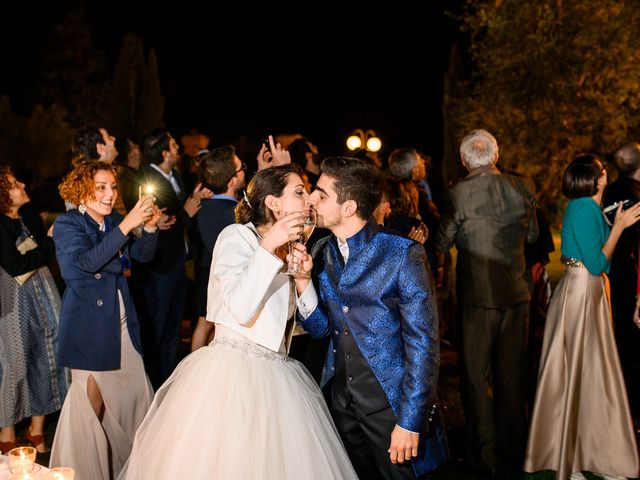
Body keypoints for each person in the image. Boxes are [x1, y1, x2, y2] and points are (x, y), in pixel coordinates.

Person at [119, 165, 357, 479]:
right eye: (299, 191)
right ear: (274, 203)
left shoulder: (290, 246)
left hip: (278, 374)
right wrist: (269, 246)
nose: (308, 198)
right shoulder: (236, 237)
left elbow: (304, 321)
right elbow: (241, 309)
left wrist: (302, 278)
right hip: (231, 374)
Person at [298, 156, 448, 479]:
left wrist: (410, 422)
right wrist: (302, 283)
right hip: (341, 407)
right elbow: (322, 328)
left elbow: (424, 345)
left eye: (321, 194)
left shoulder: (402, 254)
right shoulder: (323, 251)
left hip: (391, 408)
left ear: (349, 207)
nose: (310, 198)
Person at [524, 154, 640, 480]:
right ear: (596, 179)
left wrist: (612, 221)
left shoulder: (586, 207)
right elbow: (598, 263)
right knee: (579, 370)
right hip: (581, 292)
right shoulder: (585, 208)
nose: (606, 172)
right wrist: (618, 226)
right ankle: (572, 460)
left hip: (585, 292)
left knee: (589, 372)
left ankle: (590, 453)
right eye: (603, 170)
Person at [433, 129, 537, 477]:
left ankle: (485, 457)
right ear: (496, 154)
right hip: (517, 294)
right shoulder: (522, 187)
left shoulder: (458, 193)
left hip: (477, 298)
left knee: (477, 379)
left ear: (464, 160)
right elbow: (534, 235)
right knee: (512, 376)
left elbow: (443, 241)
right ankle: (514, 452)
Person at [49, 161, 161, 480]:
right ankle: (83, 472)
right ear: (82, 191)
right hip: (89, 327)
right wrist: (126, 228)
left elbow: (140, 257)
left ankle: (138, 466)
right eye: (101, 187)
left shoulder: (112, 220)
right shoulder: (68, 223)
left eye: (113, 186)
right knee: (90, 404)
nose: (110, 194)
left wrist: (149, 227)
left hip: (123, 324)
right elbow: (87, 262)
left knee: (138, 397)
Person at [0, 167, 68, 454]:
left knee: (48, 356)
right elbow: (15, 265)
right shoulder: (1, 224)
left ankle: (37, 428)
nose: (23, 185)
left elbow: (39, 250)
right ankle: (8, 429)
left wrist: (44, 245)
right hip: (14, 303)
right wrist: (48, 245)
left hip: (43, 293)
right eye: (15, 184)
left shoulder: (27, 214)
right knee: (14, 366)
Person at [135, 128, 209, 388]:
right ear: (165, 152)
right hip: (159, 266)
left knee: (173, 328)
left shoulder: (175, 175)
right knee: (158, 326)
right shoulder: (144, 180)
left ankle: (168, 382)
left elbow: (174, 218)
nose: (178, 147)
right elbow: (159, 225)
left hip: (177, 262)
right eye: (174, 144)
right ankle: (153, 384)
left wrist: (190, 205)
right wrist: (186, 212)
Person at [190, 145, 245, 351]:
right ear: (232, 181)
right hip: (214, 275)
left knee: (207, 324)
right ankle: (195, 373)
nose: (244, 172)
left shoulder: (204, 207)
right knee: (206, 323)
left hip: (207, 272)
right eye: (241, 169)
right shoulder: (231, 213)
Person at [602, 142, 640, 426]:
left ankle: (623, 402)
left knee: (622, 338)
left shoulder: (608, 193)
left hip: (613, 273)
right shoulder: (636, 197)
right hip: (634, 274)